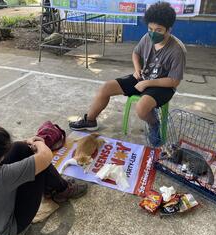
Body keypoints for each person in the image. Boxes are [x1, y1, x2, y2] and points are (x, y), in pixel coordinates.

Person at [69, 2, 186, 147]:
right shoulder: (147, 37)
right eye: (150, 28)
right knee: (106, 88)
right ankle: (90, 121)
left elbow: (174, 81)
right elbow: (136, 53)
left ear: (169, 29)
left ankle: (154, 123)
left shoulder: (177, 50)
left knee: (141, 108)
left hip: (163, 85)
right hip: (143, 76)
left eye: (159, 30)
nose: (153, 33)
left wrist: (147, 83)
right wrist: (137, 70)